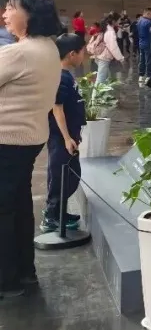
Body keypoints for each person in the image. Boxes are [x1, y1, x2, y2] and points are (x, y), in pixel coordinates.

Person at [0, 0, 62, 297]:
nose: (5, 14)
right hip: (28, 139)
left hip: (6, 140)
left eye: (11, 8)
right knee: (19, 205)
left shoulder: (19, 52)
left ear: (30, 15)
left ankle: (6, 280)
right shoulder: (48, 47)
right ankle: (25, 272)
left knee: (5, 211)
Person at [42, 33, 86, 233]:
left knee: (70, 175)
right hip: (61, 138)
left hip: (69, 136)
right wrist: (67, 138)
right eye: (82, 52)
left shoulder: (65, 74)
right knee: (60, 175)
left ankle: (60, 212)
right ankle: (51, 216)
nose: (84, 56)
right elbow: (57, 108)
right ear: (71, 54)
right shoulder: (60, 77)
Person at [93, 15, 125, 85]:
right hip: (104, 57)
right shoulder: (110, 31)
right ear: (113, 21)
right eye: (118, 20)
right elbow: (113, 47)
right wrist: (120, 58)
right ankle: (96, 92)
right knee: (101, 79)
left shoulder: (106, 28)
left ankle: (101, 91)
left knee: (104, 77)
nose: (119, 22)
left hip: (100, 55)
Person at [135, 7, 151, 83]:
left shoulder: (139, 21)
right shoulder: (149, 22)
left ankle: (141, 76)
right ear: (148, 13)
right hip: (148, 43)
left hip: (141, 43)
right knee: (149, 61)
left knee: (142, 60)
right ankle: (148, 76)